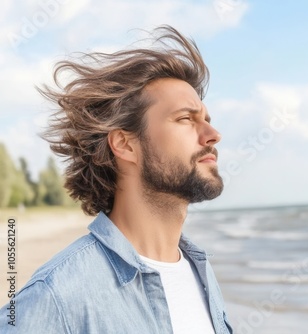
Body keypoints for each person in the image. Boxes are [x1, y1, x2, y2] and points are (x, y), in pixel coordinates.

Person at [0, 25, 233, 333]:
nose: (213, 135)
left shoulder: (199, 271)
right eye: (186, 119)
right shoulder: (57, 296)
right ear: (125, 144)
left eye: (207, 120)